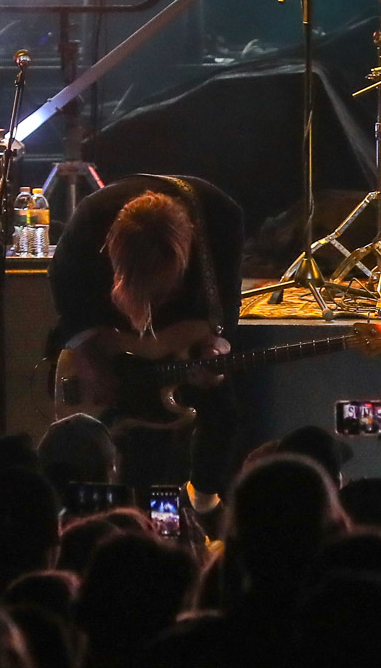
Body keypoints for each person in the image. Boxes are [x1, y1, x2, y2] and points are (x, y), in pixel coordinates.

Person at [46, 175, 244, 511]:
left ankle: (204, 507)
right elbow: (64, 286)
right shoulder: (89, 220)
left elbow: (225, 309)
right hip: (109, 332)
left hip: (186, 328)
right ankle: (125, 523)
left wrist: (214, 347)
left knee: (223, 419)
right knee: (138, 450)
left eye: (160, 288)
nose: (151, 303)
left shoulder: (221, 217)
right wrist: (86, 350)